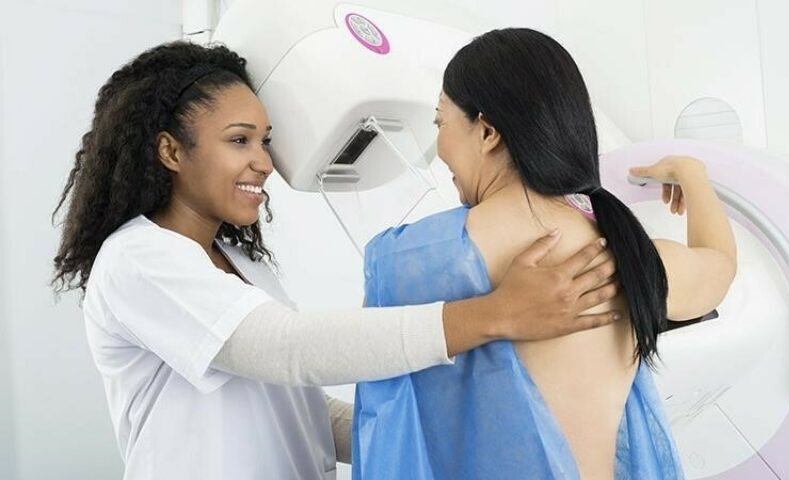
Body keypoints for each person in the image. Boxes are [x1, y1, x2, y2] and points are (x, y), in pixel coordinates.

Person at [50, 41, 621, 479]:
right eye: (240, 140)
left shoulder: (237, 262)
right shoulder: (138, 259)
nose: (265, 163)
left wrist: (429, 430)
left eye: (265, 141)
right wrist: (497, 313)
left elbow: (296, 410)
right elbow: (287, 349)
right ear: (171, 151)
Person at [351, 28, 737, 479]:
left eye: (441, 123)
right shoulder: (624, 253)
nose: (439, 151)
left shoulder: (410, 261)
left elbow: (385, 422)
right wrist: (692, 174)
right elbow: (720, 268)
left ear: (488, 131)